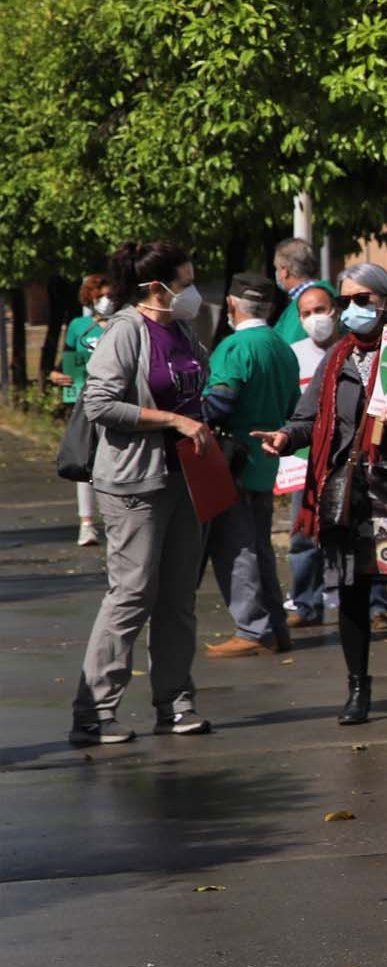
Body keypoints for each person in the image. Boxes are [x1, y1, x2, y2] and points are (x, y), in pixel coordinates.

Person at [252, 262, 387, 724]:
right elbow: (309, 419)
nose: (352, 309)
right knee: (350, 590)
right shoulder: (338, 359)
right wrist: (286, 438)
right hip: (347, 493)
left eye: (362, 300)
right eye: (346, 301)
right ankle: (357, 690)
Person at [69, 241, 215, 745]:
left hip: (185, 479)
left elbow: (200, 382)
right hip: (134, 482)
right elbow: (99, 403)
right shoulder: (126, 332)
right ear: (157, 287)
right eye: (187, 280)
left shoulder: (181, 328)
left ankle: (175, 702)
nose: (193, 290)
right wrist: (171, 419)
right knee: (131, 595)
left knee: (178, 598)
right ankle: (93, 711)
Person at [201, 272, 302, 657]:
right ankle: (275, 625)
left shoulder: (233, 348)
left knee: (235, 546)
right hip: (266, 461)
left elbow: (221, 402)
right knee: (259, 544)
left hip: (233, 459)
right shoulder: (281, 347)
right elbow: (294, 407)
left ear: (231, 304)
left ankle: (252, 629)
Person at [283, 279, 339, 629]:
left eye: (320, 310)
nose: (315, 318)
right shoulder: (294, 355)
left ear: (335, 311)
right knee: (303, 536)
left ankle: (378, 608)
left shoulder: (352, 349)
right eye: (307, 313)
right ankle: (305, 603)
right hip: (307, 462)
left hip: (350, 459)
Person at [50, 273, 115, 546]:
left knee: (111, 462)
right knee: (84, 459)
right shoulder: (79, 326)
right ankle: (86, 523)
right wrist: (57, 375)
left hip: (115, 402)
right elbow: (64, 361)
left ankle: (114, 521)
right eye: (101, 296)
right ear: (90, 298)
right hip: (83, 403)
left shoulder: (123, 324)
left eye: (110, 295)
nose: (106, 301)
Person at [270, 237, 320, 345]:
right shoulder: (299, 301)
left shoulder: (310, 303)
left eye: (277, 268)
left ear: (285, 271)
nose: (277, 274)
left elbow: (291, 346)